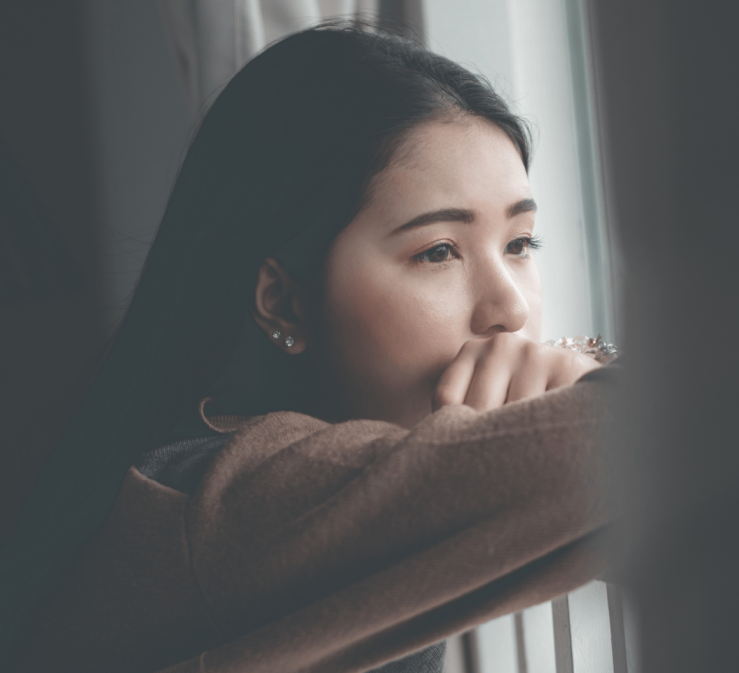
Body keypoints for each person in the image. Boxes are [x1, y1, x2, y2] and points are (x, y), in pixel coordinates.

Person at [0, 22, 616, 673]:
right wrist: (591, 376)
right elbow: (664, 444)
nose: (512, 309)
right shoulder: (228, 502)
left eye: (521, 243)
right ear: (285, 300)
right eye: (438, 251)